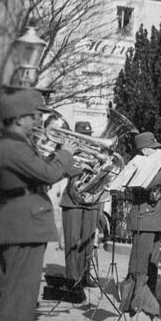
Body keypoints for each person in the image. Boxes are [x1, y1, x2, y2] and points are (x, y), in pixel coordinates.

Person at [0, 90, 81, 321]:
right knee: (19, 295)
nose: (37, 122)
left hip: (20, 224)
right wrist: (64, 154)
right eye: (33, 117)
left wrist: (70, 162)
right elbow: (47, 173)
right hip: (23, 226)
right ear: (18, 119)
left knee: (12, 292)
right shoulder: (12, 148)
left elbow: (41, 171)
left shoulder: (13, 145)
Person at [126, 132, 161, 298]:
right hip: (144, 218)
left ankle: (148, 294)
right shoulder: (137, 165)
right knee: (140, 261)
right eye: (152, 149)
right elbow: (146, 183)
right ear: (144, 150)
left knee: (153, 259)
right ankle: (133, 297)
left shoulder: (152, 166)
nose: (156, 152)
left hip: (154, 219)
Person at [60, 121, 103, 288]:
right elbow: (61, 167)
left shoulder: (96, 151)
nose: (88, 139)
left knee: (88, 240)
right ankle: (72, 278)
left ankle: (84, 276)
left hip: (91, 198)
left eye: (89, 135)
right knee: (72, 240)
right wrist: (80, 164)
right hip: (72, 199)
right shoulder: (69, 149)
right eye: (84, 135)